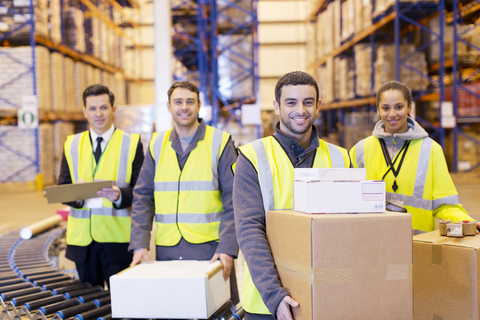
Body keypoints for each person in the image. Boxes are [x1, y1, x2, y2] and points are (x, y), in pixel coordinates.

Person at [233, 71, 351, 320]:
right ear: (276, 106)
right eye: (291, 102)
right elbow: (249, 230)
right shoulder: (252, 157)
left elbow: (350, 229)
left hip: (329, 295)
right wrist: (274, 295)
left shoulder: (341, 158)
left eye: (308, 102)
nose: (301, 110)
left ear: (318, 106)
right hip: (269, 304)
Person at [128, 81, 239, 305]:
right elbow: (143, 197)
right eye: (178, 102)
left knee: (217, 311)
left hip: (211, 250)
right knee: (174, 309)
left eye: (190, 102)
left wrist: (227, 247)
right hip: (167, 249)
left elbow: (235, 200)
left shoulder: (220, 142)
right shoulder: (157, 144)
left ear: (199, 106)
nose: (184, 107)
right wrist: (140, 244)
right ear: (169, 107)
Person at [349, 80, 479, 233]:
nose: (392, 114)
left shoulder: (431, 150)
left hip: (417, 245)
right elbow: (349, 200)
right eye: (385, 108)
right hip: (373, 241)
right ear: (378, 109)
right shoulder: (360, 150)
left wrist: (467, 222)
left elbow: (445, 203)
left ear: (410, 107)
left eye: (399, 107)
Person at [58, 84, 144, 288]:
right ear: (84, 112)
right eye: (93, 108)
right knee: (90, 307)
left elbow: (142, 192)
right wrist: (76, 193)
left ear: (113, 110)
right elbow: (62, 188)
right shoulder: (71, 144)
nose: (99, 113)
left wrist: (120, 196)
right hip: (83, 244)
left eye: (104, 107)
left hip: (118, 240)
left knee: (123, 308)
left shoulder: (132, 143)